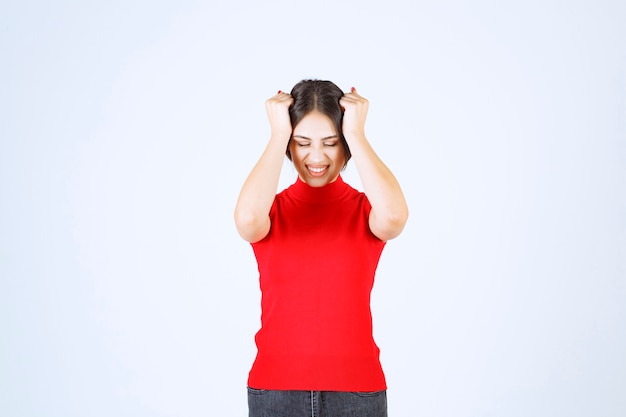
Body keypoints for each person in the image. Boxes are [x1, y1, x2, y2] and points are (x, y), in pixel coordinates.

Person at [234, 79, 408, 417]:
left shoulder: (365, 212)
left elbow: (393, 218)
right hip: (275, 392)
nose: (316, 157)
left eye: (331, 143)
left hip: (357, 392)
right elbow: (246, 220)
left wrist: (356, 133)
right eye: (301, 143)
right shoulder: (271, 212)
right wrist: (276, 136)